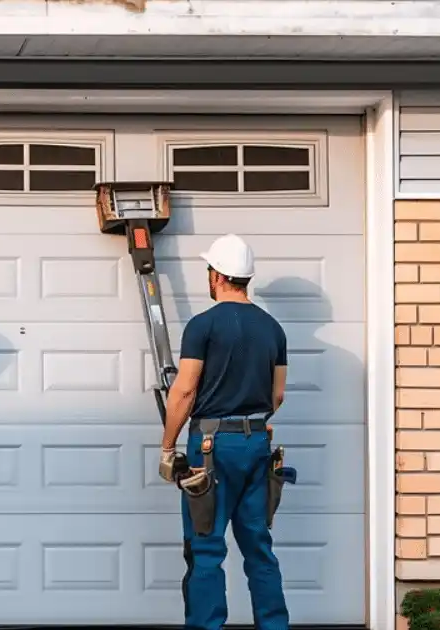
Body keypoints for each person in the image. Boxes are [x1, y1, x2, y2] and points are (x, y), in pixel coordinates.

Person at [156, 233, 290, 630]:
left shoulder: (203, 326)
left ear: (216, 275)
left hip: (211, 447)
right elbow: (277, 395)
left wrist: (168, 447)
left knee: (207, 547)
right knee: (259, 548)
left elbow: (184, 391)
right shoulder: (273, 329)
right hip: (257, 444)